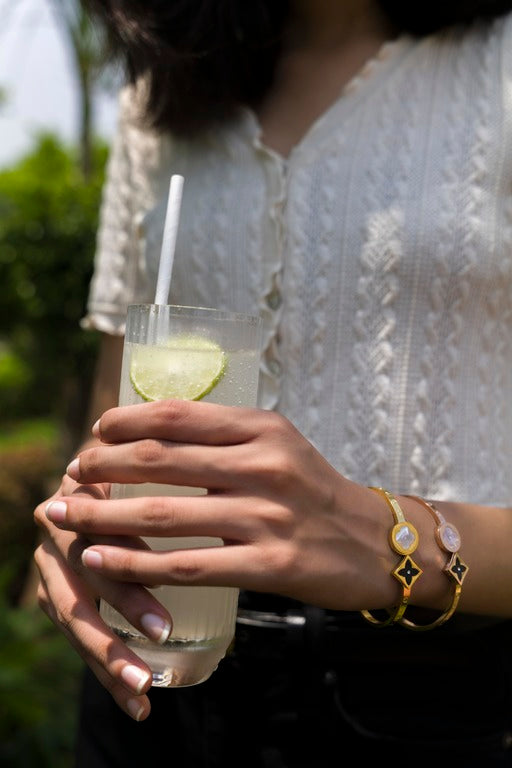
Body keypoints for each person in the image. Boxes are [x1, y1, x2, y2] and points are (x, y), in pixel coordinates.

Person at [34, 0, 512, 765]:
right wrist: (76, 525)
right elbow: (111, 416)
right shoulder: (163, 90)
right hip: (149, 682)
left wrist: (391, 539)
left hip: (436, 703)